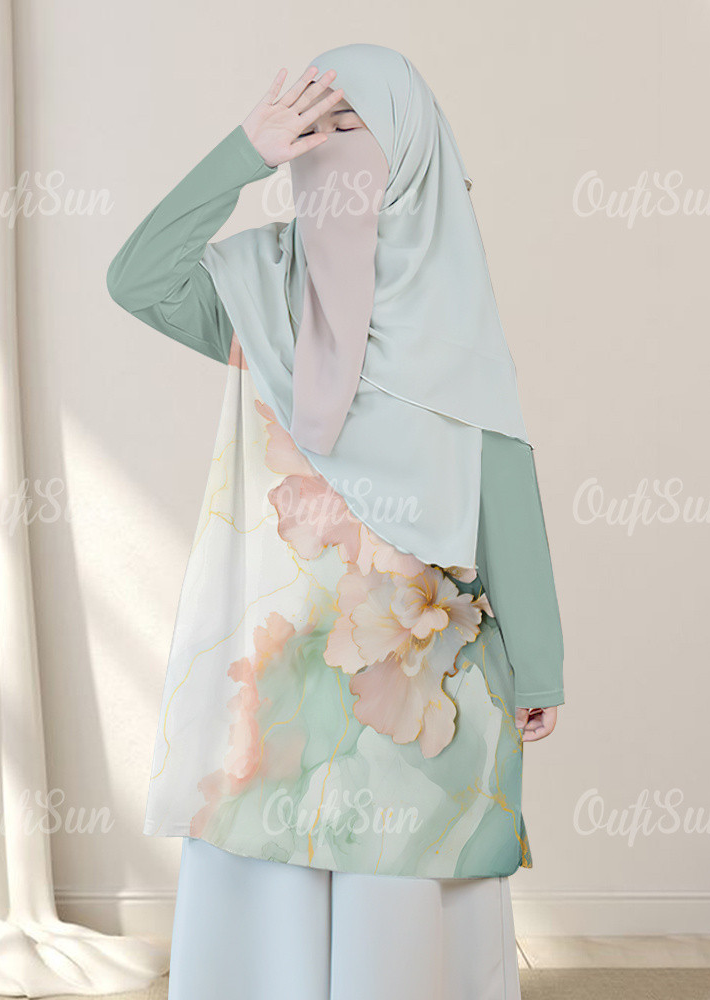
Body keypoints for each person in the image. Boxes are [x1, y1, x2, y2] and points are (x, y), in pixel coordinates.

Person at [107, 42, 564, 1000]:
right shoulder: (262, 291)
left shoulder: (454, 308)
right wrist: (243, 153)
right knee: (266, 874)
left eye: (352, 127)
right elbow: (138, 278)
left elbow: (503, 488)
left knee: (399, 889)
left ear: (412, 151)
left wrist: (539, 663)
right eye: (312, 130)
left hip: (419, 682)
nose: (329, 149)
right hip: (277, 677)